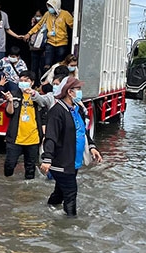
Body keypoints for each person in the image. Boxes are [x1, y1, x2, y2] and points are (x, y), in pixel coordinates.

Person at [40, 77, 102, 217]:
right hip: (61, 162)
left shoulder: (77, 109)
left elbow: (82, 131)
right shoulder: (57, 111)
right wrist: (47, 158)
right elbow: (51, 137)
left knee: (60, 192)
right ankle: (70, 226)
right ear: (69, 92)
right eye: (78, 89)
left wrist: (92, 147)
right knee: (71, 193)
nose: (80, 92)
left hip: (73, 161)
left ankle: (48, 210)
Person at [4, 70, 52, 180]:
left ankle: (28, 191)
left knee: (30, 168)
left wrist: (44, 135)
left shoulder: (37, 97)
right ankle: (8, 185)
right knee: (9, 165)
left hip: (33, 138)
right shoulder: (14, 94)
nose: (23, 83)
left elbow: (44, 115)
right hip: (15, 137)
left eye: (26, 80)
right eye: (21, 81)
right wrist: (10, 101)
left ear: (32, 82)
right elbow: (9, 113)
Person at [25, 0, 74, 70]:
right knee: (47, 64)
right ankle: (45, 80)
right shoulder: (47, 14)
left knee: (58, 64)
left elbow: (73, 25)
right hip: (50, 42)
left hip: (62, 43)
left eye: (51, 6)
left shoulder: (65, 14)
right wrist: (29, 33)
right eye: (48, 6)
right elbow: (39, 25)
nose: (49, 8)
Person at [26, 9, 45, 81]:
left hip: (43, 49)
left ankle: (41, 84)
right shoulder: (32, 24)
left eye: (39, 16)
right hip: (33, 48)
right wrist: (32, 24)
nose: (38, 17)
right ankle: (34, 83)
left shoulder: (46, 24)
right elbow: (29, 34)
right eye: (36, 16)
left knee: (42, 67)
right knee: (34, 67)